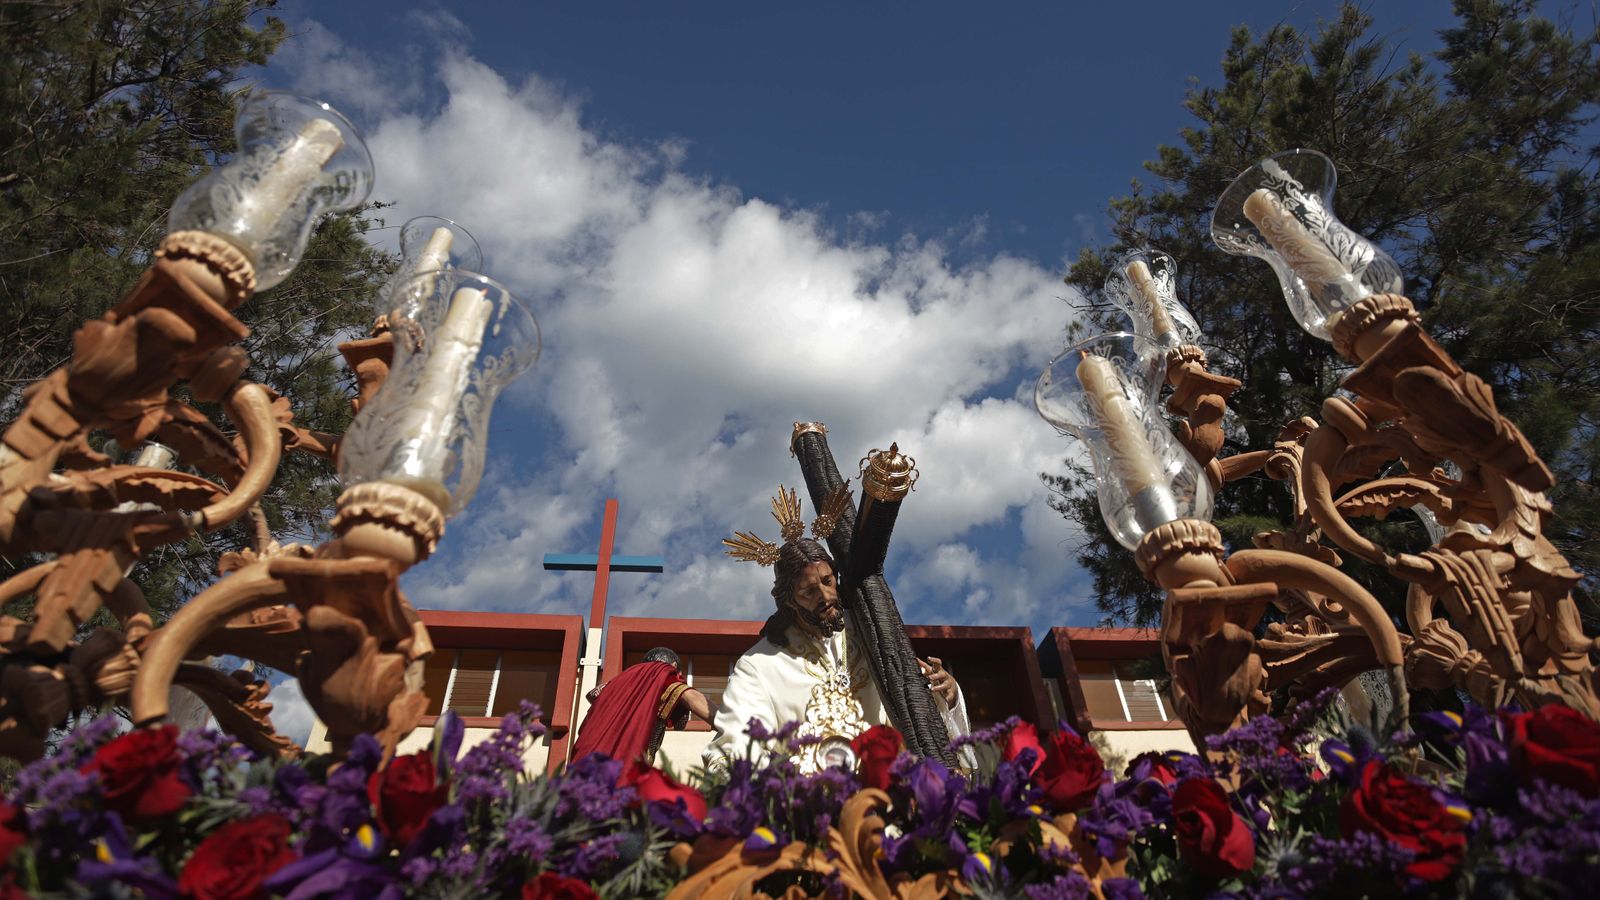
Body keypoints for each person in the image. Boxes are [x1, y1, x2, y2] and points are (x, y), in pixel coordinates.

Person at [706, 536, 974, 773]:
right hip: (810, 809)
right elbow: (738, 743)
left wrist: (946, 694)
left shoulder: (873, 632)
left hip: (891, 797)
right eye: (809, 591)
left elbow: (916, 703)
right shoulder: (758, 665)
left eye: (827, 581)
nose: (825, 596)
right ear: (789, 600)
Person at [571, 646, 713, 769]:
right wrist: (728, 722)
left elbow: (592, 694)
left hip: (582, 762)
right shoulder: (661, 674)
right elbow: (692, 698)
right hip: (618, 768)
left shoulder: (619, 682)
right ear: (674, 666)